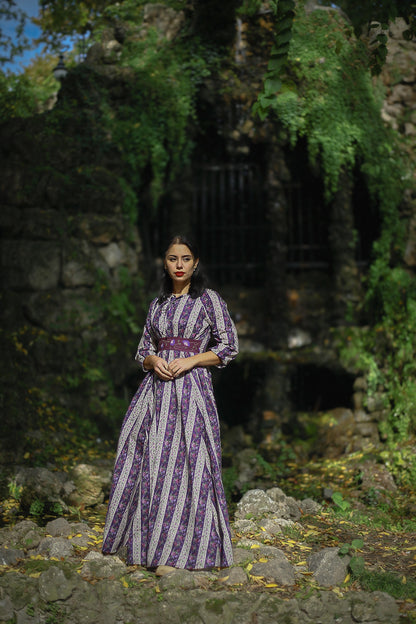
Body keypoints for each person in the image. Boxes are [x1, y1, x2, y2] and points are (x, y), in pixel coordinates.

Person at [102, 235, 239, 570]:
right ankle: (147, 545)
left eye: (186, 258)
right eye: (173, 259)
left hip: (192, 391)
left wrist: (190, 360)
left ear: (196, 263)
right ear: (164, 263)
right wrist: (153, 361)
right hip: (156, 393)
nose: (179, 265)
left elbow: (228, 346)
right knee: (150, 460)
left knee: (192, 461)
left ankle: (193, 547)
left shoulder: (208, 300)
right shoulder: (158, 304)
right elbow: (142, 350)